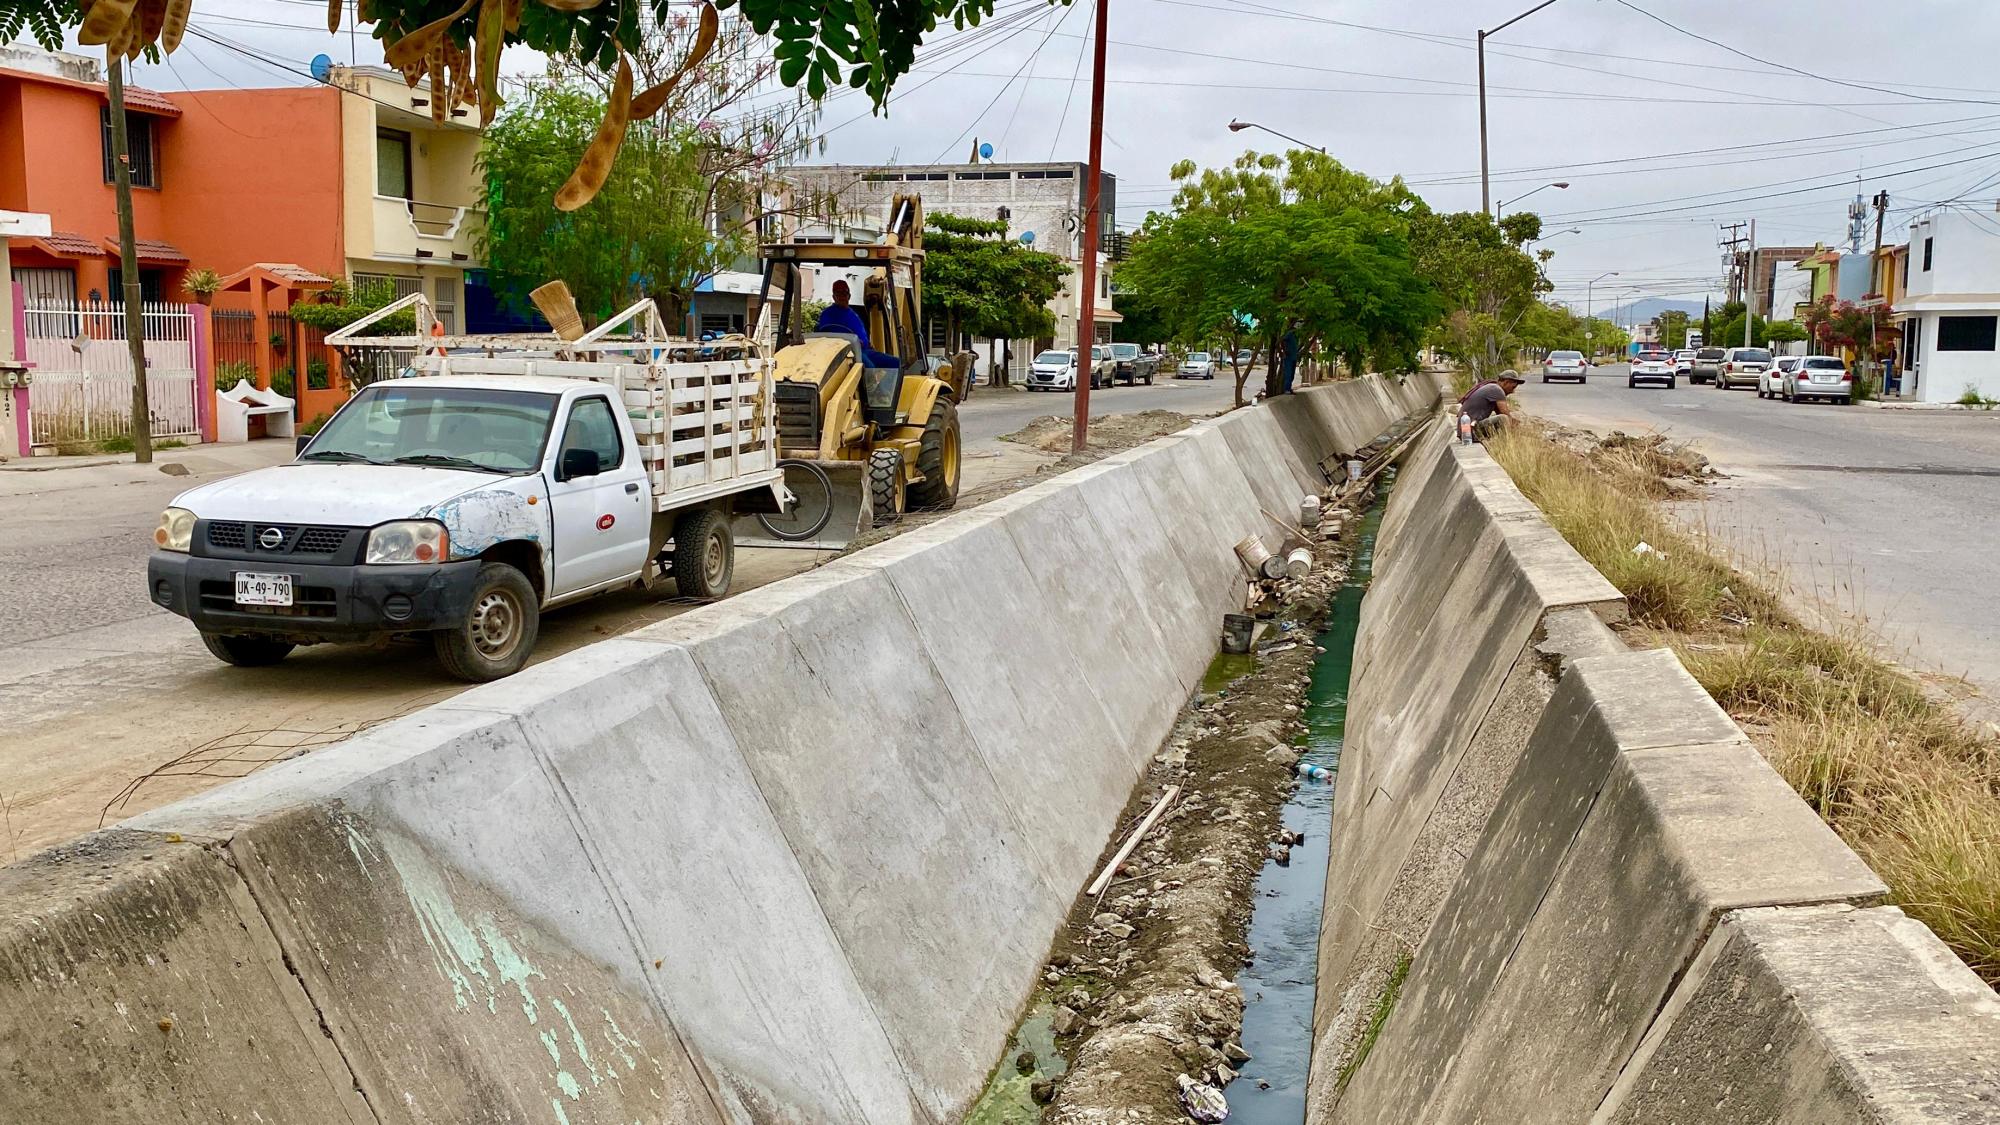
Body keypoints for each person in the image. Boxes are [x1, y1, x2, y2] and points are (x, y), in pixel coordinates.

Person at [814, 279, 899, 369]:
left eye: (844, 293)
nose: (842, 296)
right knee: (870, 368)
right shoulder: (828, 314)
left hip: (864, 350)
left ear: (849, 296)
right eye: (838, 293)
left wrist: (868, 343)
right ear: (834, 296)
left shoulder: (853, 313)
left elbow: (861, 333)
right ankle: (872, 382)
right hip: (847, 352)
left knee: (896, 363)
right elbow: (827, 335)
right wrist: (853, 341)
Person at [1460, 370, 1523, 441]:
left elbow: (1499, 412)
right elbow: (1504, 413)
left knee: (1506, 419)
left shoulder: (1492, 387)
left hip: (1467, 430)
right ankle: (1507, 445)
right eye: (1513, 387)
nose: (1513, 391)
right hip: (1470, 430)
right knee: (1503, 419)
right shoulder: (1497, 390)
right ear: (1506, 382)